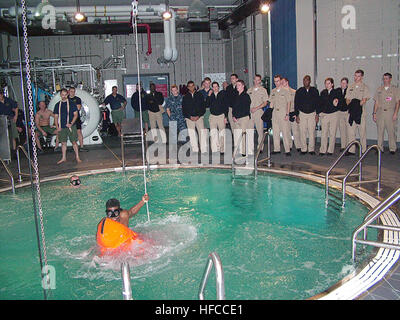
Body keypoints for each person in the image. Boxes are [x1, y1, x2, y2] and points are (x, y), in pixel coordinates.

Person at [373, 72, 399, 154]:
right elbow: (376, 102)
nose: (385, 80)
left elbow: (398, 102)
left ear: (390, 79)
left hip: (390, 111)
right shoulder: (379, 89)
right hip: (380, 112)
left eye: (387, 78)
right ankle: (380, 148)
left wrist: (395, 113)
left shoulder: (395, 89)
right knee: (380, 131)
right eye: (384, 79)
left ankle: (392, 148)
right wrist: (374, 113)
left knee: (391, 131)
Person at [345, 69, 371, 154]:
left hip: (360, 112)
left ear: (362, 77)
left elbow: (364, 99)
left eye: (358, 76)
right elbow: (347, 99)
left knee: (362, 132)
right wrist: (351, 105)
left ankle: (363, 150)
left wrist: (357, 104)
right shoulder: (350, 86)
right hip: (351, 112)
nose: (356, 78)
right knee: (351, 132)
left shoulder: (365, 87)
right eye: (355, 76)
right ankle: (351, 150)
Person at [53, 88, 82, 164]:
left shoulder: (72, 103)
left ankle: (77, 157)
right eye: (62, 95)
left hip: (71, 127)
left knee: (74, 142)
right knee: (63, 142)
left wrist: (71, 123)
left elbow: (76, 115)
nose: (64, 96)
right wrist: (57, 127)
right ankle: (63, 158)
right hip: (62, 127)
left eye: (65, 95)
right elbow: (56, 117)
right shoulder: (57, 105)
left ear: (67, 94)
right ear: (60, 95)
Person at [294, 75, 320, 155]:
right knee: (302, 132)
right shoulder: (299, 91)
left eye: (307, 80)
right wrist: (297, 115)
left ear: (310, 81)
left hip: (312, 114)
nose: (305, 82)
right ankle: (303, 149)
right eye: (304, 80)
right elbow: (296, 103)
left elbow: (317, 103)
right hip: (302, 114)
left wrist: (317, 114)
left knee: (312, 132)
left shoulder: (314, 91)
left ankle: (311, 149)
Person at [269, 75, 292, 156]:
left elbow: (289, 102)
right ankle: (276, 149)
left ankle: (287, 150)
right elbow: (271, 103)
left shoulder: (285, 91)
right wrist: (269, 112)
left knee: (285, 132)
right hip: (275, 113)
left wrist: (287, 114)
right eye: (275, 81)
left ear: (280, 81)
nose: (276, 83)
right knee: (275, 132)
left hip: (283, 112)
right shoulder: (273, 91)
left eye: (278, 81)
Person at [182, 80, 207, 153]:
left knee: (202, 133)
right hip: (189, 119)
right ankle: (195, 150)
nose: (191, 87)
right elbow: (184, 109)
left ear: (195, 86)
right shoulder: (185, 97)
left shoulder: (199, 95)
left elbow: (203, 107)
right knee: (192, 134)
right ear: (187, 87)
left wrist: (198, 116)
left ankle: (203, 150)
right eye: (189, 86)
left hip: (199, 117)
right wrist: (190, 117)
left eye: (192, 85)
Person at [318, 78, 341, 156]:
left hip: (334, 114)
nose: (327, 85)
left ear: (332, 84)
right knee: (324, 133)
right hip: (325, 114)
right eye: (326, 83)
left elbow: (339, 102)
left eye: (328, 83)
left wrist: (336, 102)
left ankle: (330, 150)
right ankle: (322, 150)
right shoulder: (323, 92)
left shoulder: (336, 92)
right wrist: (320, 112)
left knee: (332, 133)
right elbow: (320, 103)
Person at [247, 74, 269, 151]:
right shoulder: (249, 90)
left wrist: (256, 108)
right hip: (250, 113)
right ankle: (250, 147)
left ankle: (260, 147)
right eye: (255, 80)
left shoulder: (263, 90)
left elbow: (265, 102)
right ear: (253, 80)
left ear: (260, 81)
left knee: (260, 131)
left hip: (259, 112)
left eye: (258, 80)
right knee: (249, 130)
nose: (256, 81)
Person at [206, 81, 229, 153]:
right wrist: (209, 96)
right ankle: (215, 149)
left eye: (216, 87)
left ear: (218, 87)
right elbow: (207, 105)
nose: (215, 88)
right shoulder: (211, 95)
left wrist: (226, 117)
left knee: (222, 133)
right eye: (213, 87)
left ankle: (222, 149)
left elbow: (226, 106)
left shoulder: (223, 94)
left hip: (221, 116)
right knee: (213, 133)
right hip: (213, 116)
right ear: (212, 88)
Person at [232, 79, 252, 156]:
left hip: (243, 118)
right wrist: (234, 116)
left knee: (243, 135)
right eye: (237, 85)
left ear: (243, 86)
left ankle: (243, 151)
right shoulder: (236, 95)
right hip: (236, 118)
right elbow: (234, 107)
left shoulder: (246, 96)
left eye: (239, 85)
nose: (237, 86)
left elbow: (245, 108)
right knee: (236, 135)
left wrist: (238, 116)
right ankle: (237, 150)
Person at [281, 77, 301, 152]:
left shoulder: (294, 92)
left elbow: (297, 104)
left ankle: (298, 146)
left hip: (293, 112)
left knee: (295, 131)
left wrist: (296, 114)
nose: (282, 83)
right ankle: (289, 146)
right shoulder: (280, 92)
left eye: (283, 82)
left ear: (287, 82)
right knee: (287, 131)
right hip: (285, 113)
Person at [68, 87, 88, 152]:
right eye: (71, 91)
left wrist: (70, 107)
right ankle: (74, 146)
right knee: (71, 132)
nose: (72, 93)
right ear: (68, 91)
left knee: (79, 132)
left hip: (76, 118)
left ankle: (82, 146)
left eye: (73, 91)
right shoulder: (66, 99)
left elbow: (78, 108)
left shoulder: (77, 99)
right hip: (68, 118)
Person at [337, 77, 349, 151]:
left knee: (348, 130)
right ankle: (343, 146)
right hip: (340, 112)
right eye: (342, 83)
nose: (343, 84)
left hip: (347, 112)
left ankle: (348, 146)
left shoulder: (349, 90)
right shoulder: (338, 90)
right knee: (342, 130)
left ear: (347, 84)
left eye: (344, 83)